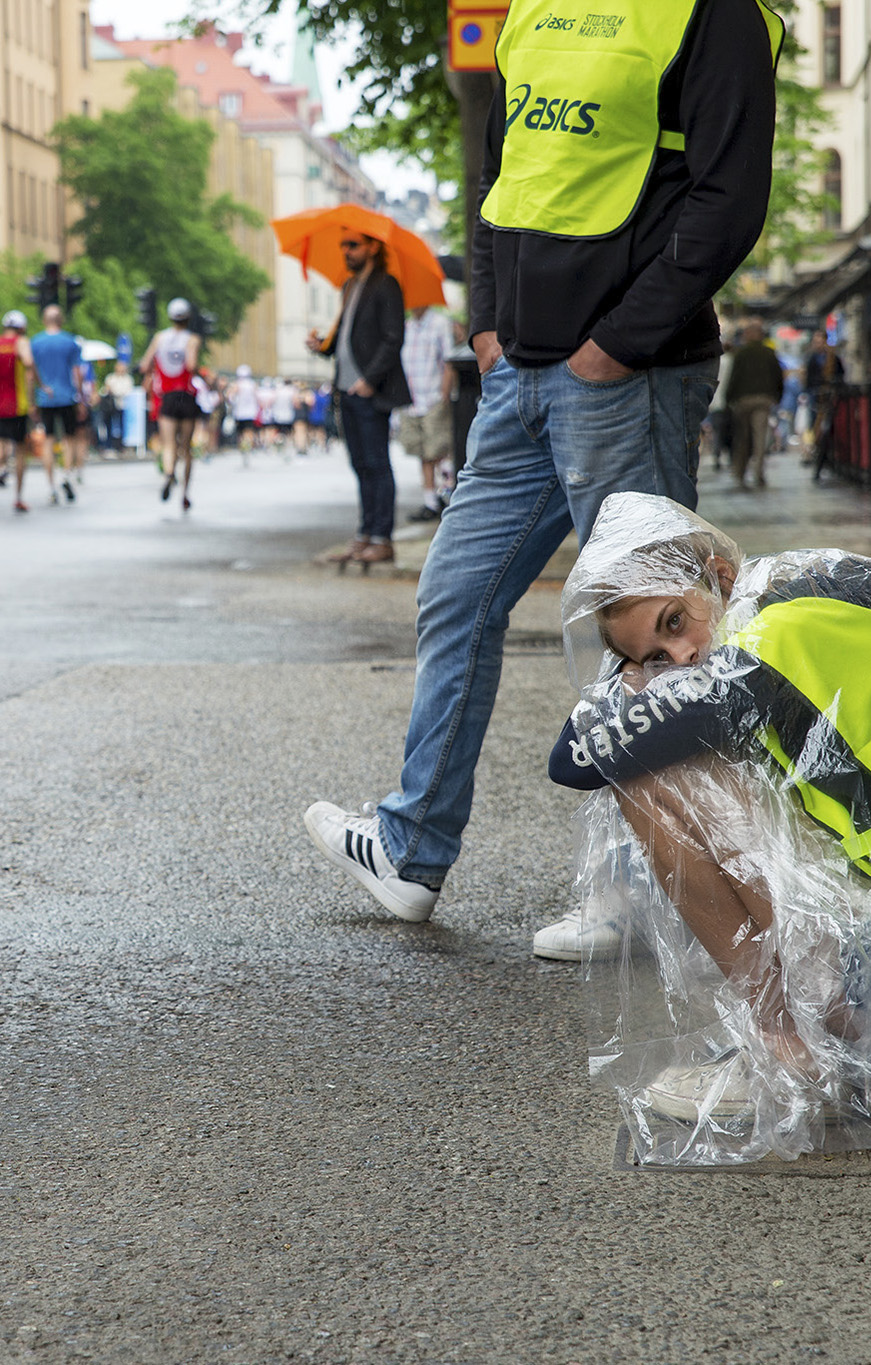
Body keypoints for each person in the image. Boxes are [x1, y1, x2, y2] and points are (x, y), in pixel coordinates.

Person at [302, 0, 783, 928]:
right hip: (518, 372)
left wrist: (617, 344)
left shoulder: (713, 11)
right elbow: (500, 175)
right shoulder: (533, 8)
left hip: (625, 373)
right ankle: (410, 850)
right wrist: (489, 325)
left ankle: (654, 887)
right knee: (457, 595)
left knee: (659, 637)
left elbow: (730, 198)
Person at [542, 494, 871, 1144]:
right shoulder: (821, 597)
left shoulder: (769, 644)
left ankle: (789, 1043)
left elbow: (577, 759)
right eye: (656, 652)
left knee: (651, 778)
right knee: (708, 763)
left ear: (721, 575)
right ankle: (801, 1026)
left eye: (676, 620)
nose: (680, 656)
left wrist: (633, 682)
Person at [309, 232, 411, 566]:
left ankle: (383, 539)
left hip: (370, 391)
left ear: (372, 247)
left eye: (352, 245)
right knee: (360, 465)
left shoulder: (386, 284)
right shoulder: (350, 287)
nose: (346, 251)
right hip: (345, 390)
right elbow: (346, 341)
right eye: (343, 245)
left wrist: (370, 380)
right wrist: (322, 345)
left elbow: (393, 337)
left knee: (377, 464)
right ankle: (365, 535)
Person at [0, 310, 48, 513]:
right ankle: (18, 497)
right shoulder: (21, 343)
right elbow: (28, 362)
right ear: (22, 328)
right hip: (17, 405)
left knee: (0, 450)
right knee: (19, 452)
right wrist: (39, 384)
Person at [144, 299, 203, 511]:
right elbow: (191, 365)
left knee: (168, 444)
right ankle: (185, 494)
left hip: (167, 397)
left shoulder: (159, 337)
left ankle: (169, 473)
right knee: (186, 448)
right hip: (186, 396)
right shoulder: (192, 339)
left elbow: (144, 364)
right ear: (188, 318)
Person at [399, 302, 455, 521]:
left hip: (433, 396)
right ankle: (430, 501)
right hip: (411, 400)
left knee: (439, 450)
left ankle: (447, 492)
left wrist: (444, 393)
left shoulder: (440, 324)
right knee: (423, 453)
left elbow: (448, 360)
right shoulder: (406, 327)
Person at [30, 304, 85, 504]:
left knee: (49, 439)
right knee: (69, 439)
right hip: (67, 396)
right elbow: (77, 372)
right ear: (61, 320)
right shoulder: (70, 342)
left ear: (45, 320)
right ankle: (66, 476)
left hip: (45, 397)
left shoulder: (35, 342)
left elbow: (30, 372)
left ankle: (51, 486)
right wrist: (80, 398)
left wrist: (34, 397)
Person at [721, 321, 783, 490]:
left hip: (743, 400)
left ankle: (740, 474)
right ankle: (759, 474)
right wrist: (778, 396)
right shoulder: (769, 353)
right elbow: (778, 377)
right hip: (763, 399)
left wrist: (728, 399)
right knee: (760, 438)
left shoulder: (740, 353)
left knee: (742, 438)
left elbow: (734, 378)